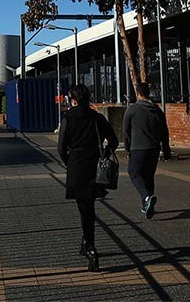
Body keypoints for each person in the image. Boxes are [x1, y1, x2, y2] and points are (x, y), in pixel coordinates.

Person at [58, 84, 119, 272]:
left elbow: (61, 147)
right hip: (94, 165)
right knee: (88, 207)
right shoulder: (97, 118)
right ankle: (87, 242)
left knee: (84, 208)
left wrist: (69, 161)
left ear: (73, 100)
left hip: (77, 166)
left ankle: (91, 248)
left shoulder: (68, 119)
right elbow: (114, 141)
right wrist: (105, 153)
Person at [122, 81, 172, 220]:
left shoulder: (131, 109)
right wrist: (166, 150)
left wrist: (127, 148)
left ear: (137, 94)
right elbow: (164, 131)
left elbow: (125, 131)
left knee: (134, 173)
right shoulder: (157, 110)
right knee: (149, 177)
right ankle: (146, 205)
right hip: (154, 149)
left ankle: (147, 197)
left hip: (138, 148)